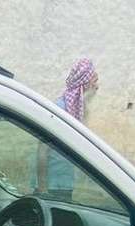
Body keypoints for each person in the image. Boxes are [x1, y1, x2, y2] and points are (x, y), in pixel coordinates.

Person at [36, 58, 99, 201]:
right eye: (94, 81)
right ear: (85, 83)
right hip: (51, 187)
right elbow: (42, 150)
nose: (97, 86)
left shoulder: (79, 109)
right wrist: (42, 188)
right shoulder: (60, 110)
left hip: (63, 184)